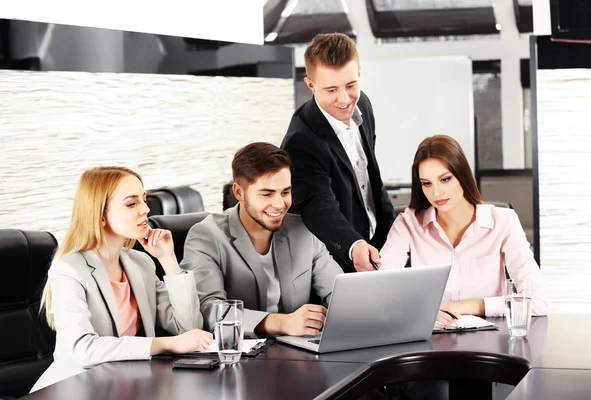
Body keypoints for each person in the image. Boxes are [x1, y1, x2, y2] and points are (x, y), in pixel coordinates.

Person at [32, 167, 213, 392]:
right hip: (77, 388)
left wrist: (168, 260)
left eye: (144, 200)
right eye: (131, 203)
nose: (145, 209)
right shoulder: (69, 269)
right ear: (100, 215)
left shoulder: (141, 263)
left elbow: (188, 329)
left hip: (130, 385)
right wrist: (167, 344)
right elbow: (84, 349)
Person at [379, 135, 548, 327]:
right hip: (429, 342)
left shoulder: (503, 222)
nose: (436, 193)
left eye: (445, 179)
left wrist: (463, 307)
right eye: (427, 183)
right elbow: (380, 292)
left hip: (490, 342)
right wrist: (418, 309)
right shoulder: (408, 224)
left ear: (462, 175)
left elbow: (537, 302)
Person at [181, 142, 343, 337]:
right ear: (239, 192)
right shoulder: (206, 236)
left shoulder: (303, 230)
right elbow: (209, 311)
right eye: (267, 194)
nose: (279, 204)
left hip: (300, 352)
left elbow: (340, 293)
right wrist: (283, 323)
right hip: (240, 358)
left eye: (285, 192)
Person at [281, 33, 395, 274]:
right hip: (339, 262)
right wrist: (353, 246)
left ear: (359, 73)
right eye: (331, 89)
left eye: (351, 85)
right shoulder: (301, 140)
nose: (344, 99)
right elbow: (318, 206)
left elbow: (371, 176)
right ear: (310, 85)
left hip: (380, 247)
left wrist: (393, 232)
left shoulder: (362, 103)